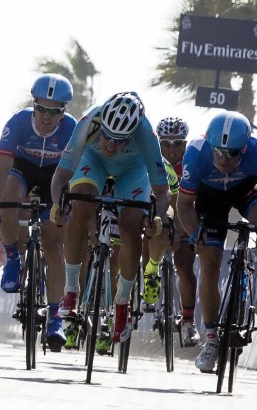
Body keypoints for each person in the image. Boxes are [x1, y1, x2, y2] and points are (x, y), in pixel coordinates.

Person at [176, 111, 257, 372]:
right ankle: (212, 341)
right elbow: (183, 205)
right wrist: (195, 232)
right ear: (211, 146)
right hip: (209, 197)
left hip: (245, 188)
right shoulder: (195, 153)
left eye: (232, 154)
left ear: (245, 148)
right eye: (219, 152)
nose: (224, 159)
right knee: (209, 264)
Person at [51, 91, 169, 346]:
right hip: (93, 162)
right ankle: (71, 290)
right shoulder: (89, 121)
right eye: (107, 136)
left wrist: (155, 218)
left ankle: (122, 304)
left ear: (132, 133)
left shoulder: (146, 134)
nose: (111, 145)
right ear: (101, 125)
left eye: (119, 140)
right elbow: (60, 177)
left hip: (132, 170)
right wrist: (57, 206)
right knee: (80, 202)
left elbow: (162, 192)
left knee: (131, 226)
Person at [0, 73, 77, 350]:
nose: (46, 117)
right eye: (41, 108)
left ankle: (55, 318)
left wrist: (66, 210)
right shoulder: (17, 123)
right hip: (22, 170)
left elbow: (73, 178)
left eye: (54, 111)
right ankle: (13, 258)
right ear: (34, 104)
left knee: (53, 244)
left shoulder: (72, 129)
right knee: (9, 196)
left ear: (63, 111)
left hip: (55, 176)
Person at [149, 116, 199, 346]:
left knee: (185, 265)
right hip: (162, 211)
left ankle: (188, 322)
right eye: (166, 143)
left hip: (185, 214)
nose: (171, 149)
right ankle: (151, 273)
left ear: (185, 144)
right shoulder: (152, 159)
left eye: (178, 143)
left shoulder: (193, 161)